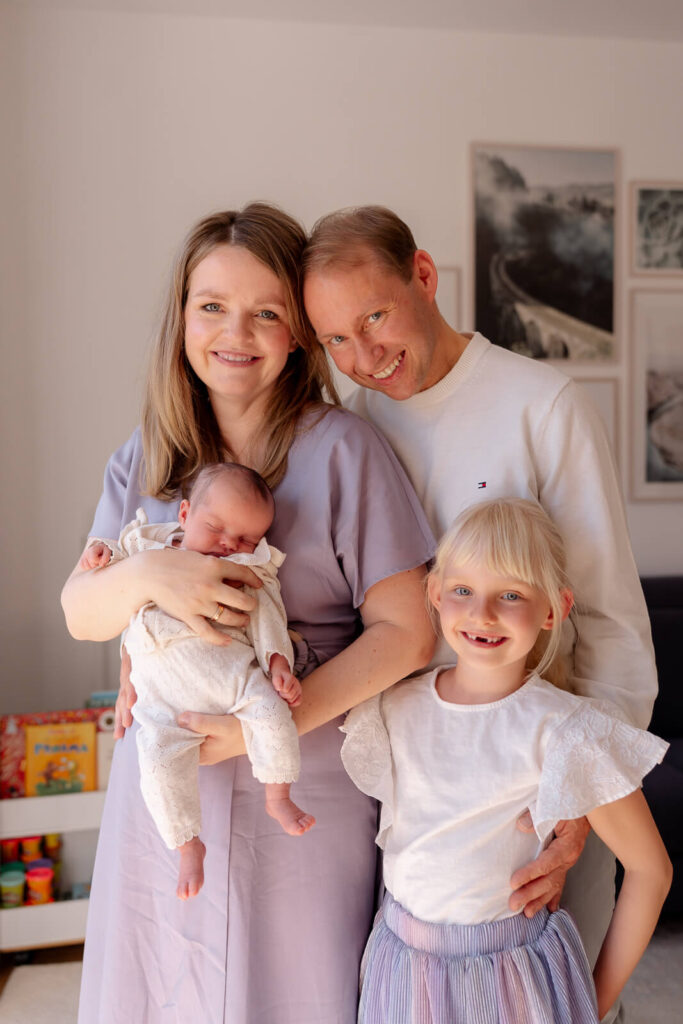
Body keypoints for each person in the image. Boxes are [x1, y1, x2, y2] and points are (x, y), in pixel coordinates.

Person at [61, 203, 436, 1023]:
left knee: (298, 993)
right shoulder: (144, 457)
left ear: (297, 332)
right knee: (160, 992)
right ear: (182, 319)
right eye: (212, 306)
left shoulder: (345, 452)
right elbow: (82, 611)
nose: (236, 333)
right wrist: (154, 572)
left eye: (266, 312)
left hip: (304, 784)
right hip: (165, 794)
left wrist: (260, 729)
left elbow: (409, 633)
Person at [301, 205, 658, 1023]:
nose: (363, 357)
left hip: (535, 805)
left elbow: (608, 622)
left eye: (375, 317)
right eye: (334, 340)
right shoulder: (354, 429)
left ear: (423, 277)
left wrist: (575, 807)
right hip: (422, 822)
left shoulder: (542, 405)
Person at [341, 498, 671, 1024]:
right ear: (435, 593)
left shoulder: (565, 730)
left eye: (511, 594)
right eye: (463, 590)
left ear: (554, 609)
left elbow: (651, 870)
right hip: (401, 973)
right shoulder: (390, 708)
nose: (482, 613)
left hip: (513, 983)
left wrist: (593, 1004)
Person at [81, 462, 315, 902]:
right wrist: (103, 556)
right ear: (185, 514)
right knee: (156, 762)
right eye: (216, 528)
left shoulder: (247, 570)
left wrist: (278, 662)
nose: (229, 544)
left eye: (246, 539)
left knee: (273, 711)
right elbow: (117, 571)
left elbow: (268, 616)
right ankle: (187, 843)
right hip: (162, 699)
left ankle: (278, 792)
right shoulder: (150, 548)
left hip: (232, 680)